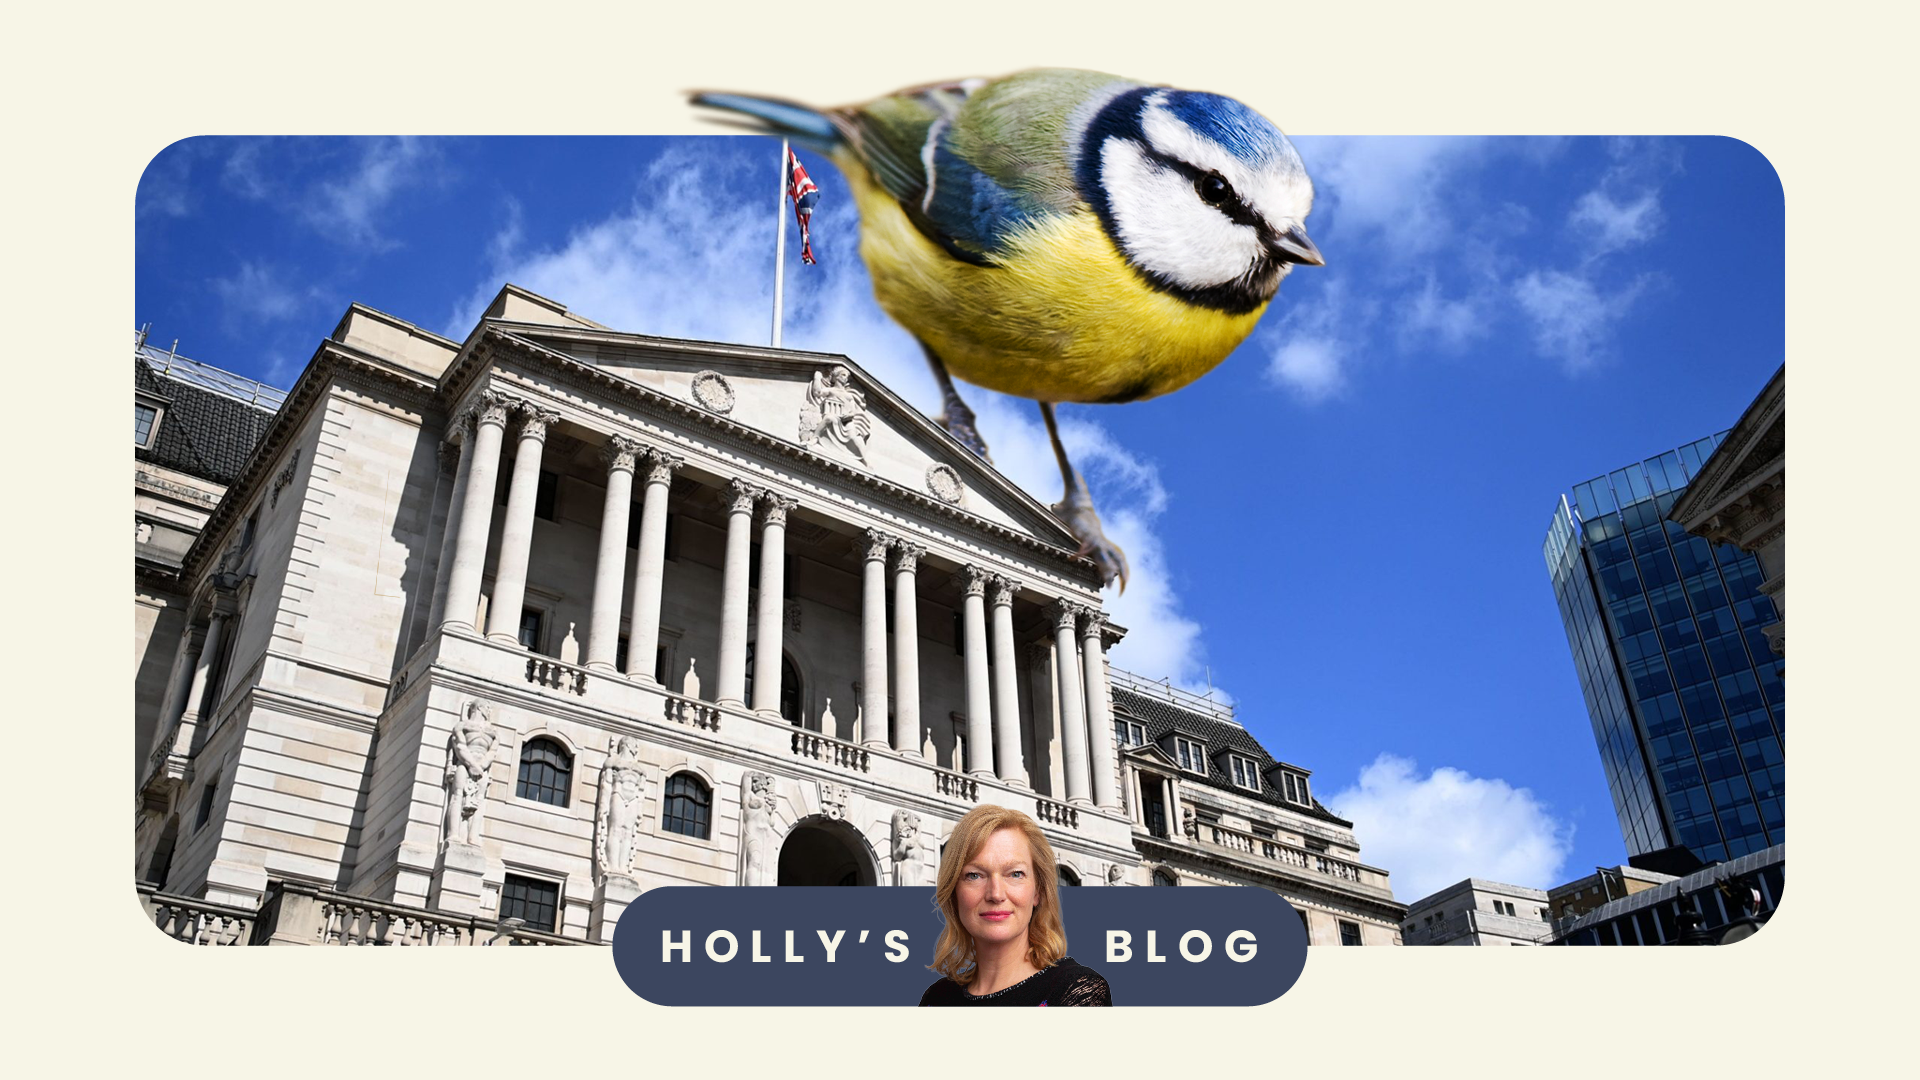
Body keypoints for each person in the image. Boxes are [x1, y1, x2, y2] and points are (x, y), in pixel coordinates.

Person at [917, 804, 1112, 1007]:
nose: (996, 894)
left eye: (1015, 874)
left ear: (1038, 891)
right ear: (954, 892)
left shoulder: (1077, 989)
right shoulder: (936, 998)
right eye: (974, 875)